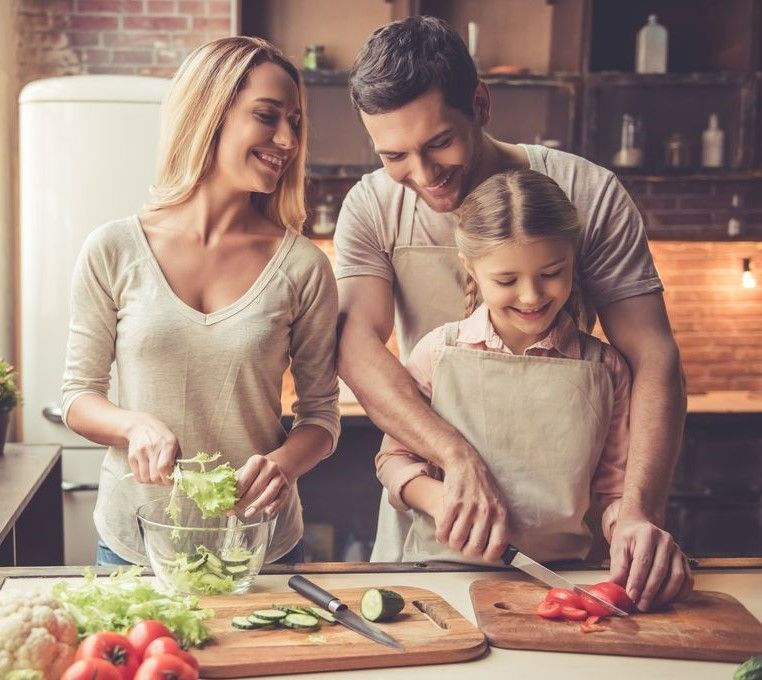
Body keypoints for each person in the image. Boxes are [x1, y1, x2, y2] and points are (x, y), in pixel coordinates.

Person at [335, 16, 688, 611]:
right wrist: (452, 456)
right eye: (395, 155)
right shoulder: (372, 205)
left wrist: (635, 514)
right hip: (434, 535)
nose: (422, 176)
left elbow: (652, 357)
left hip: (567, 550)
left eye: (439, 142)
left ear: (480, 102)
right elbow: (353, 347)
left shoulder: (590, 194)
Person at [61, 36, 340, 566]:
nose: (287, 139)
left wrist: (284, 463)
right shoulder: (114, 248)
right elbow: (78, 397)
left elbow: (321, 418)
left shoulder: (303, 265)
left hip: (258, 546)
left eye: (296, 122)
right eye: (267, 116)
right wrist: (133, 425)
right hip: (138, 542)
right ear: (210, 113)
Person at [374, 170, 688, 599]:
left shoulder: (607, 369)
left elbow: (614, 490)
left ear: (573, 260)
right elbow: (392, 459)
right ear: (471, 268)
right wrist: (435, 499)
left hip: (564, 582)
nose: (530, 296)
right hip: (442, 579)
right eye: (506, 281)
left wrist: (633, 529)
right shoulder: (437, 353)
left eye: (551, 273)